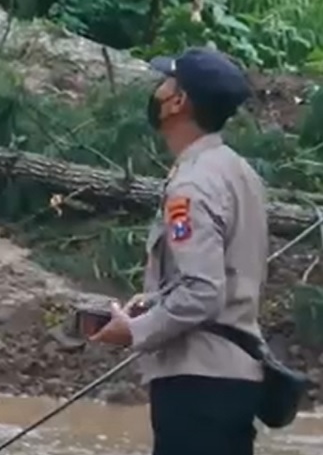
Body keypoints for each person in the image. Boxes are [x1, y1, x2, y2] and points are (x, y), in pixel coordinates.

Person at [89, 47, 268, 455]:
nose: (157, 90)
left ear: (177, 102)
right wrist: (154, 301)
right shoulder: (239, 171)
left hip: (198, 385)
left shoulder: (192, 186)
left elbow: (204, 291)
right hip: (236, 377)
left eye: (166, 82)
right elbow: (228, 272)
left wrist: (135, 331)